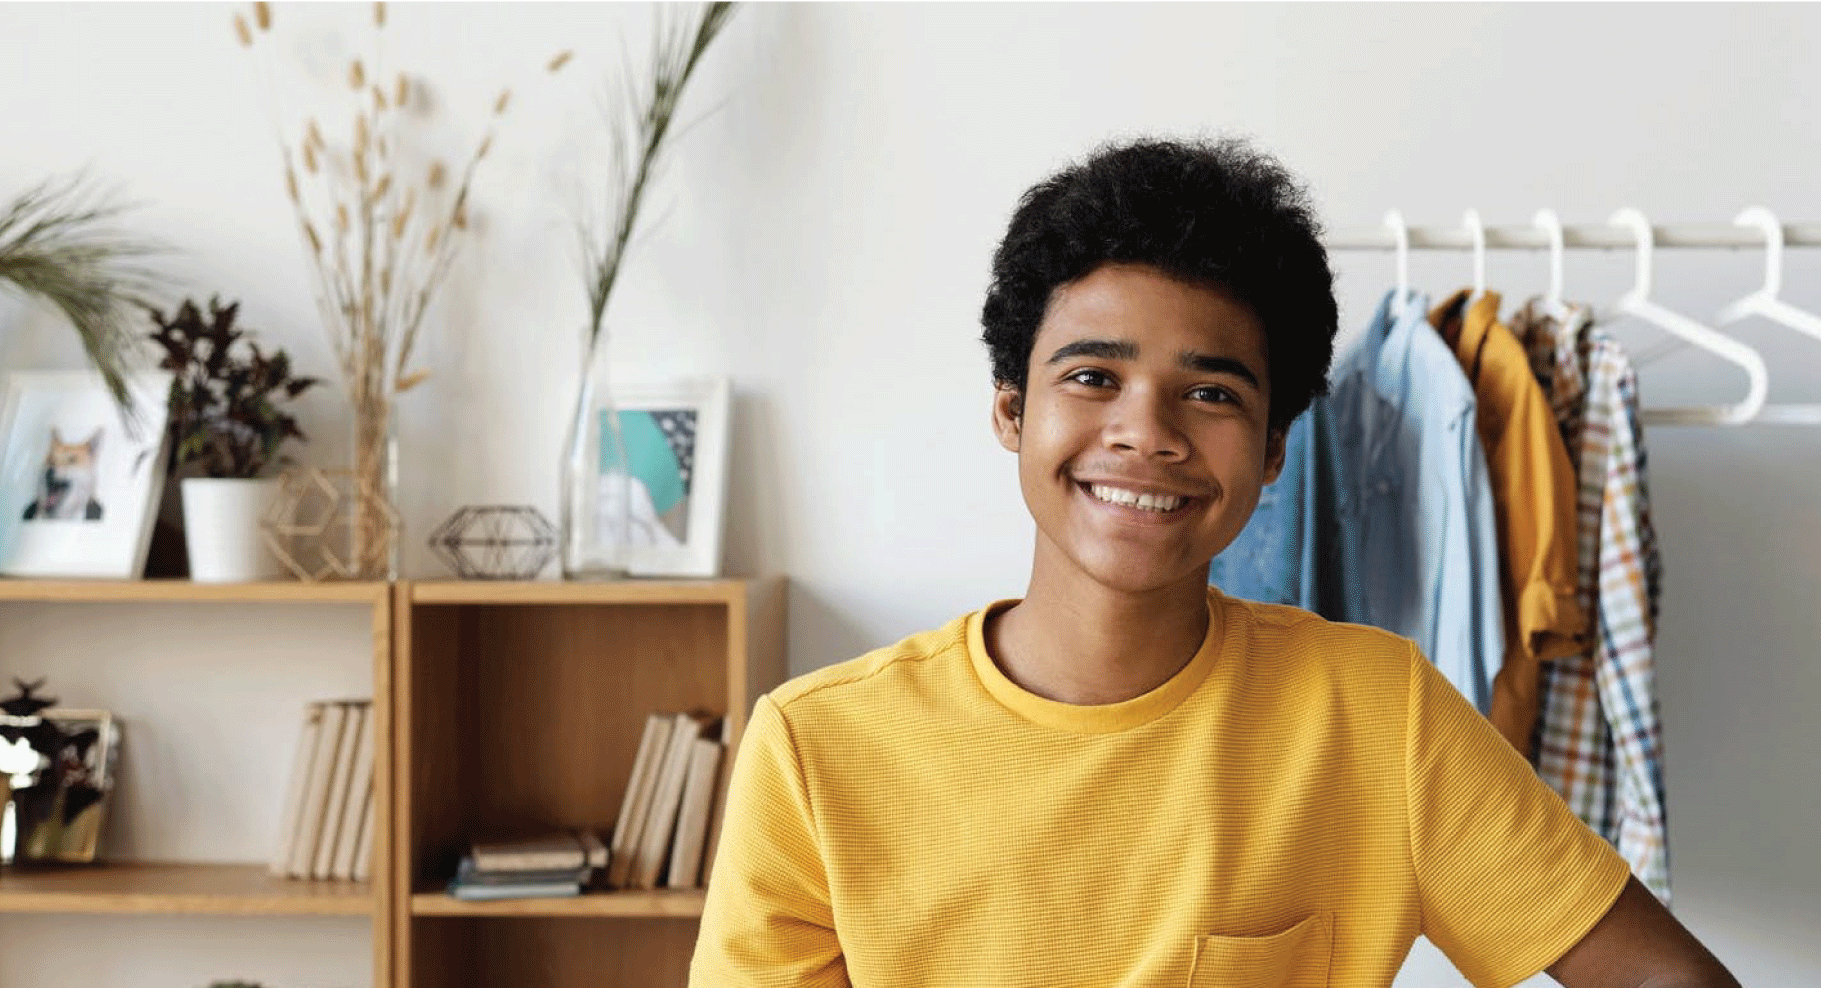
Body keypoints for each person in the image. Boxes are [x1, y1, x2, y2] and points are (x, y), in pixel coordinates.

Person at [688, 136, 1741, 988]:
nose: (1146, 433)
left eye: (1211, 392)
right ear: (1013, 410)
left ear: (1275, 448)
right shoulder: (814, 752)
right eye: (1094, 375)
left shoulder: (1380, 715)